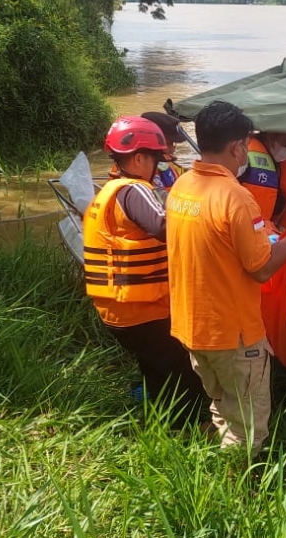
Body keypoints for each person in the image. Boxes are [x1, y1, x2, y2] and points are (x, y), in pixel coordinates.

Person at [166, 100, 286, 451]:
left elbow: (212, 244)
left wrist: (257, 239)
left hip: (192, 328)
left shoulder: (181, 187)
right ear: (239, 148)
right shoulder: (237, 199)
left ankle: (216, 467)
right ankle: (237, 497)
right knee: (249, 428)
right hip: (233, 335)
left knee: (221, 405)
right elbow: (263, 268)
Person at [82, 116, 206, 423]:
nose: (159, 168)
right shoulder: (134, 190)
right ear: (139, 158)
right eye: (156, 160)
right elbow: (164, 226)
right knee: (183, 367)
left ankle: (155, 413)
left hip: (118, 308)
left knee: (154, 361)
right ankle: (184, 428)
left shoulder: (108, 191)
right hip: (142, 308)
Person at [238, 131, 286, 232]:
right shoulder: (244, 160)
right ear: (271, 135)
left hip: (268, 231)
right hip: (246, 229)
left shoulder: (280, 162)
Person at [141, 111, 190, 189]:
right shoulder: (144, 171)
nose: (173, 149)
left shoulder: (166, 163)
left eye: (173, 144)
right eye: (168, 144)